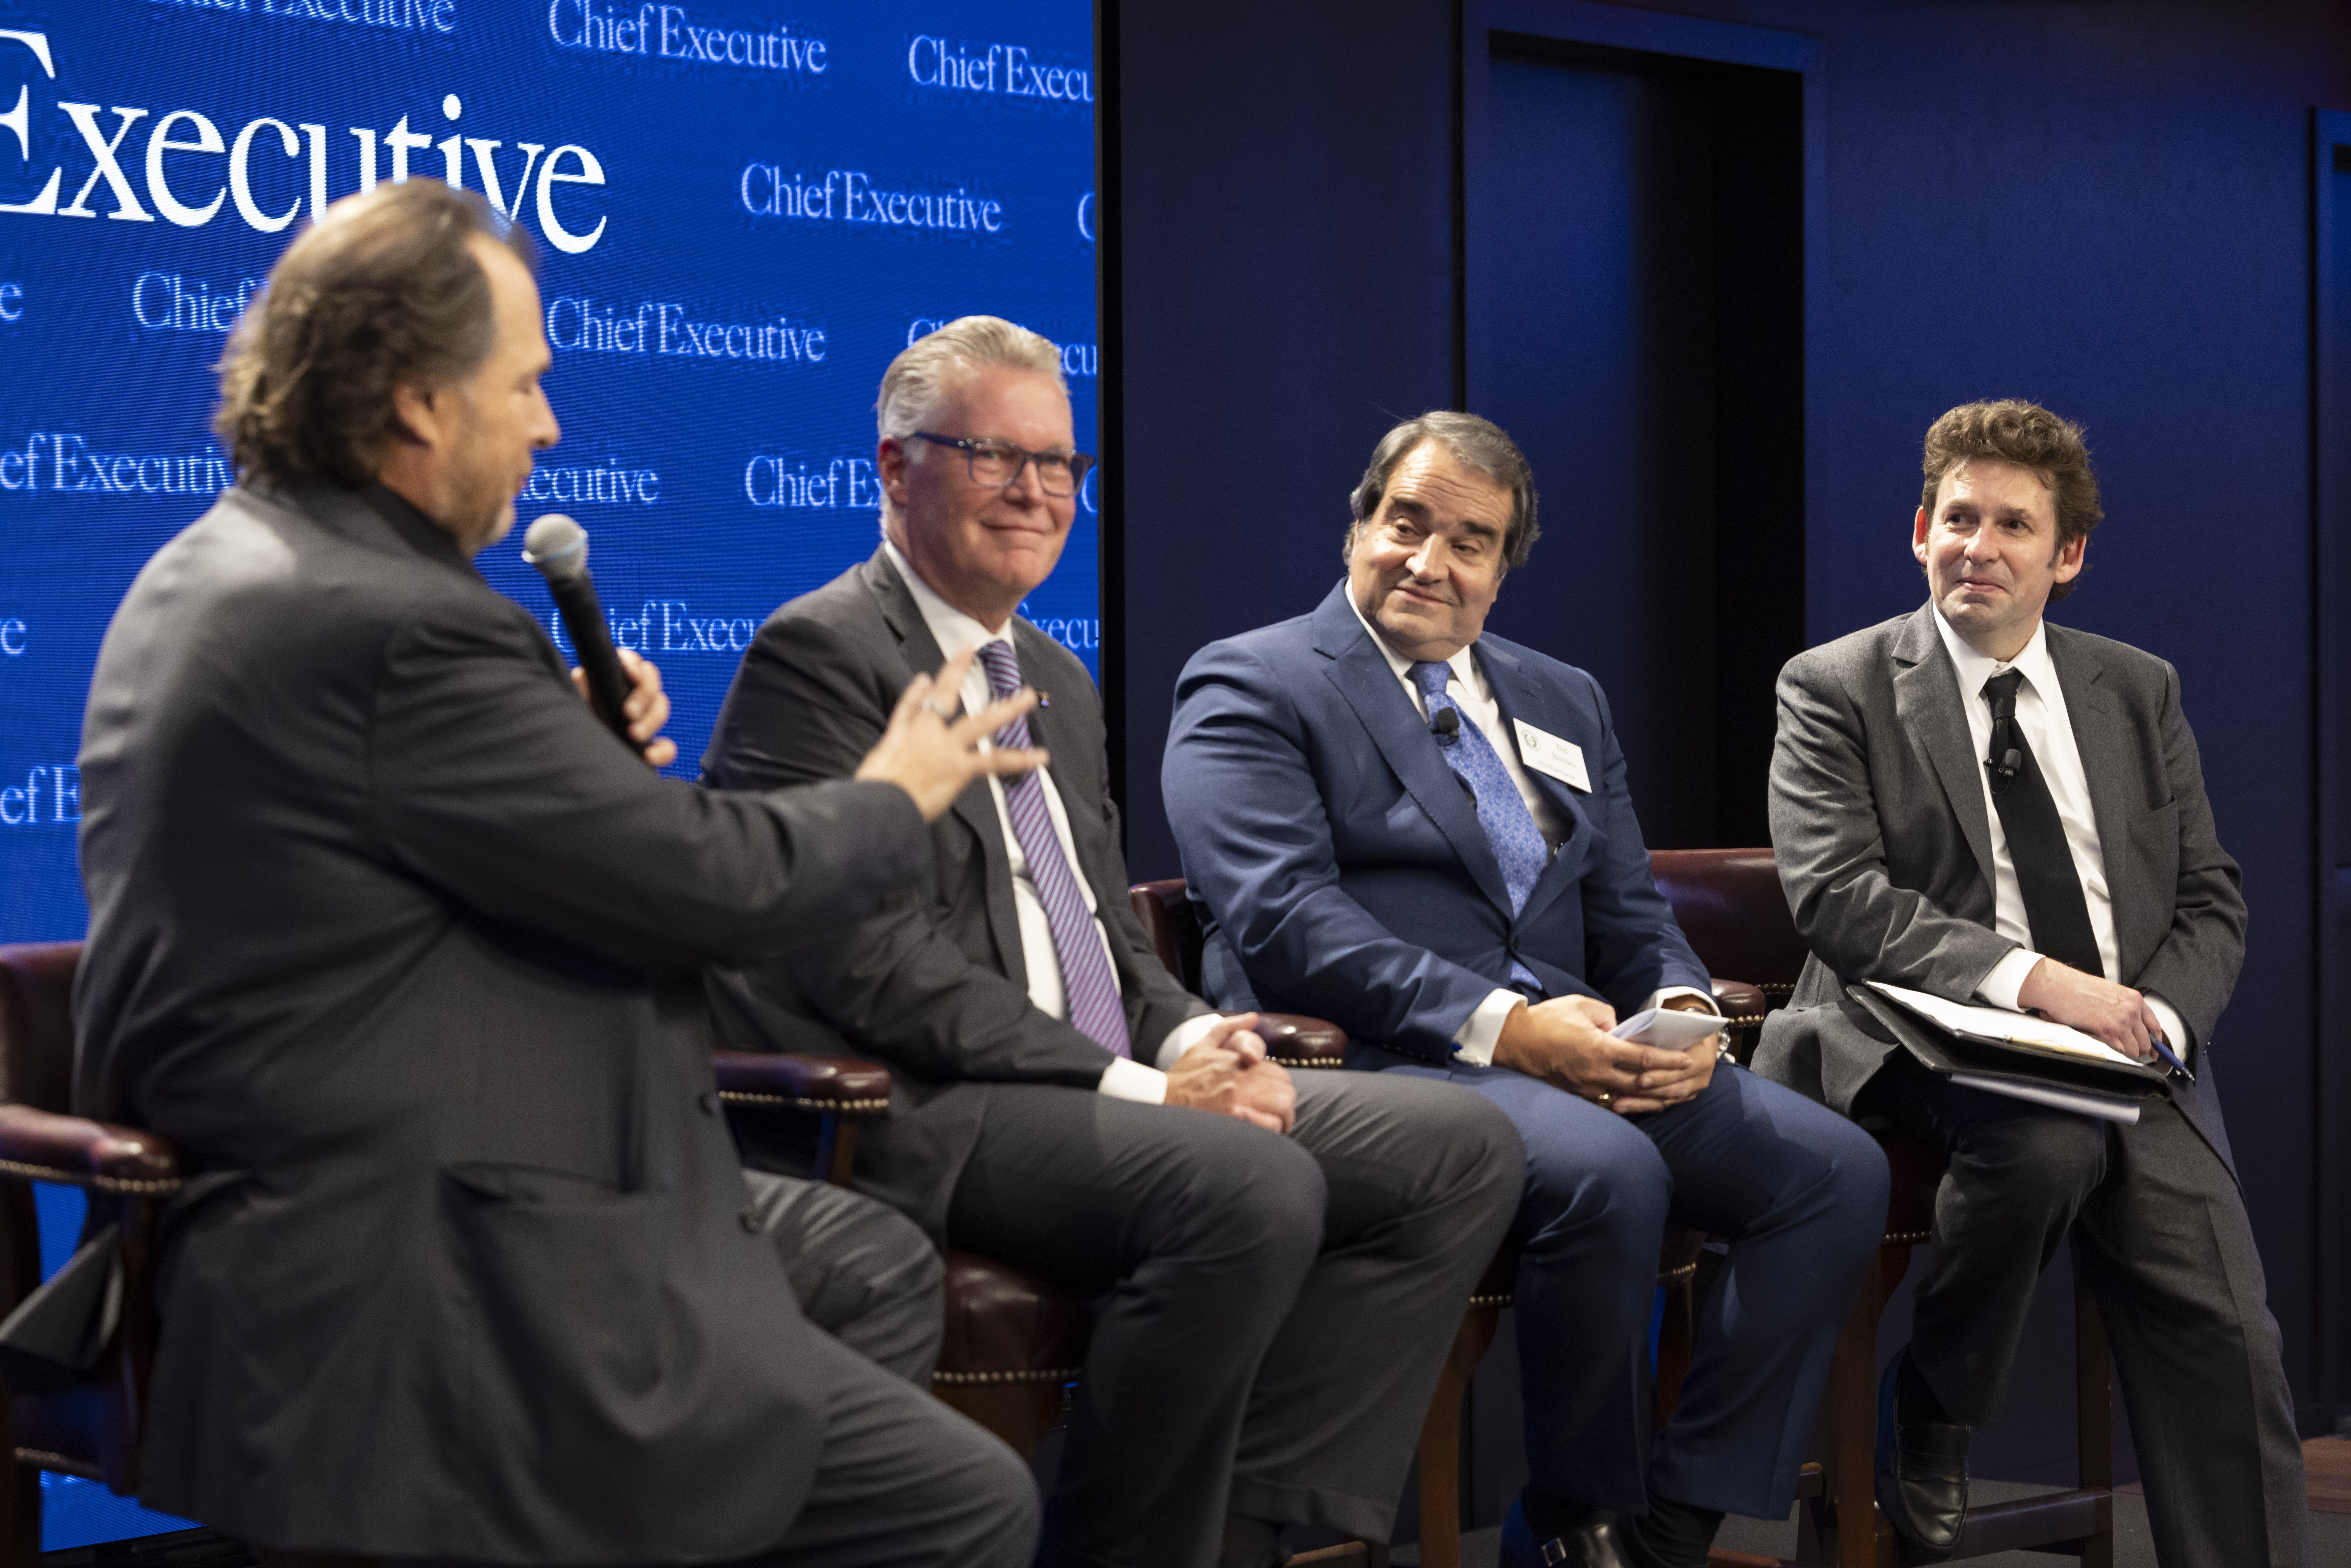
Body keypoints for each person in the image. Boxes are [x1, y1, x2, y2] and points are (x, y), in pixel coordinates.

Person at [73, 181, 1045, 1565]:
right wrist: (893, 793)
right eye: (525, 383)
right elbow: (710, 883)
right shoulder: (397, 626)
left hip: (395, 1182)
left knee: (861, 1267)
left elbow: (423, 860)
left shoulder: (224, 563)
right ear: (415, 400)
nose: (549, 424)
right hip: (419, 1254)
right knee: (964, 1502)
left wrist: (569, 756)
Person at [701, 317, 1523, 1568]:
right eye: (993, 456)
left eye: (1058, 465)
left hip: (1099, 1079)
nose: (1035, 492)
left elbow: (1103, 933)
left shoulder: (1051, 673)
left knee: (1460, 1147)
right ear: (893, 466)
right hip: (935, 1102)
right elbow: (867, 965)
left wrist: (1204, 1035)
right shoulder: (817, 654)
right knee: (1249, 1183)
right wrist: (1147, 1086)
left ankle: (1241, 1524)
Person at [1162, 411, 1890, 1568]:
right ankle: (1570, 1517)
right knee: (1608, 1172)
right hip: (1381, 1055)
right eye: (1405, 523)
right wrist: (1510, 1029)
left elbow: (1629, 911)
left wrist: (1686, 1016)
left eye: (1469, 541)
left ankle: (1668, 1519)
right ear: (1355, 526)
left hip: (1573, 1045)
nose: (1428, 561)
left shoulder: (1561, 699)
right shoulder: (1254, 682)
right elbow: (1287, 924)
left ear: (1502, 569)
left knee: (1832, 1172)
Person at [1752, 398, 2306, 1565]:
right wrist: (2043, 985)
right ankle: (1935, 1410)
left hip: (2126, 1048)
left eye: (2013, 525)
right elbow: (1839, 900)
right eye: (1957, 516)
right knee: (2045, 1143)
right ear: (1917, 530)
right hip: (1915, 1038)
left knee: (2228, 1336)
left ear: (2066, 557)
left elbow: (2211, 894)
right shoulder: (1834, 685)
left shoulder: (2135, 688)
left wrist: (2149, 1019)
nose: (1977, 545)